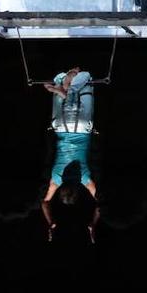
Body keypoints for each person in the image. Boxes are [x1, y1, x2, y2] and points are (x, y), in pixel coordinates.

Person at [41, 67, 99, 243]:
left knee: (87, 78)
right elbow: (45, 203)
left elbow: (100, 204)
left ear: (78, 192)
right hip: (60, 126)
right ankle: (64, 88)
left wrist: (93, 224)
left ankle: (70, 87)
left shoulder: (86, 179)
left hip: (82, 128)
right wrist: (50, 222)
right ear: (61, 192)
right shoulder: (55, 179)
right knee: (59, 79)